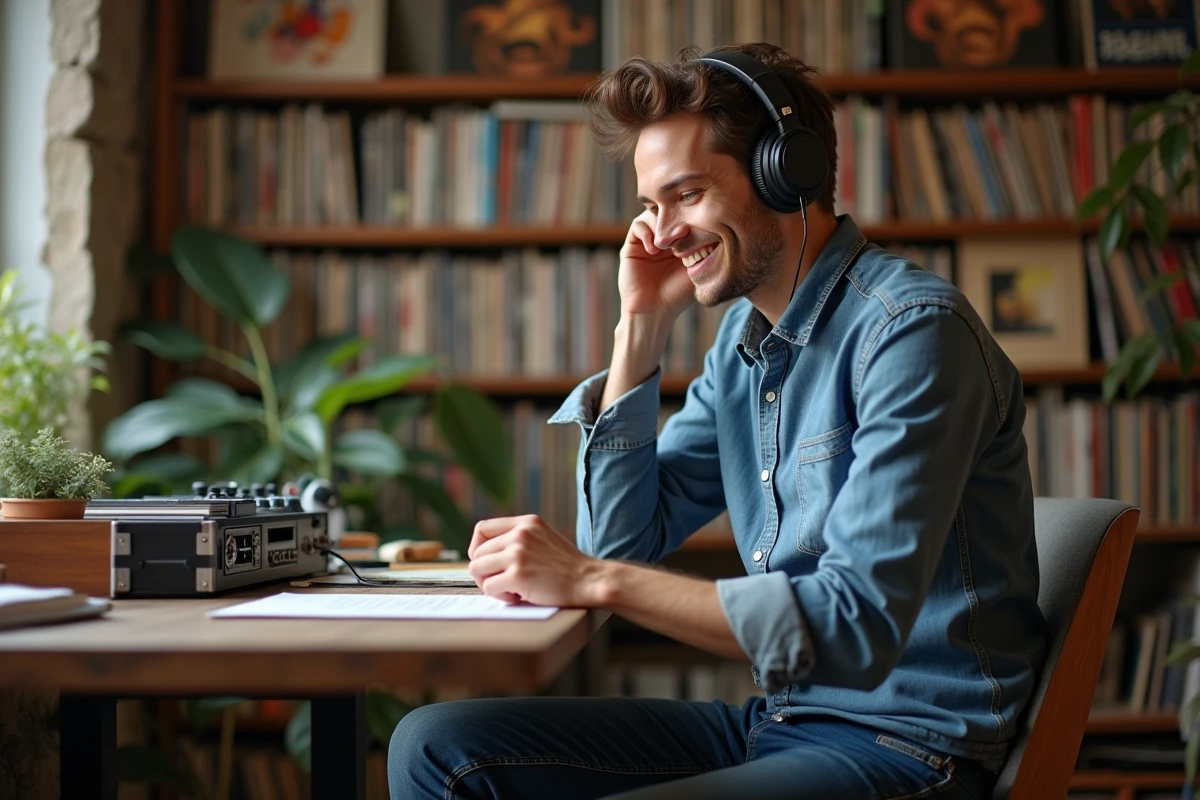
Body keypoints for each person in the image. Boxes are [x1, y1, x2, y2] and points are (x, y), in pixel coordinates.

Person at [388, 42, 1047, 800]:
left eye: (687, 194)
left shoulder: (911, 334)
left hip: (908, 747)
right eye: (648, 204)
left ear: (785, 171)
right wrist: (638, 330)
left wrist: (590, 580)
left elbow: (856, 625)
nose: (661, 233)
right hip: (784, 720)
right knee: (435, 745)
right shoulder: (743, 351)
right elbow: (624, 541)